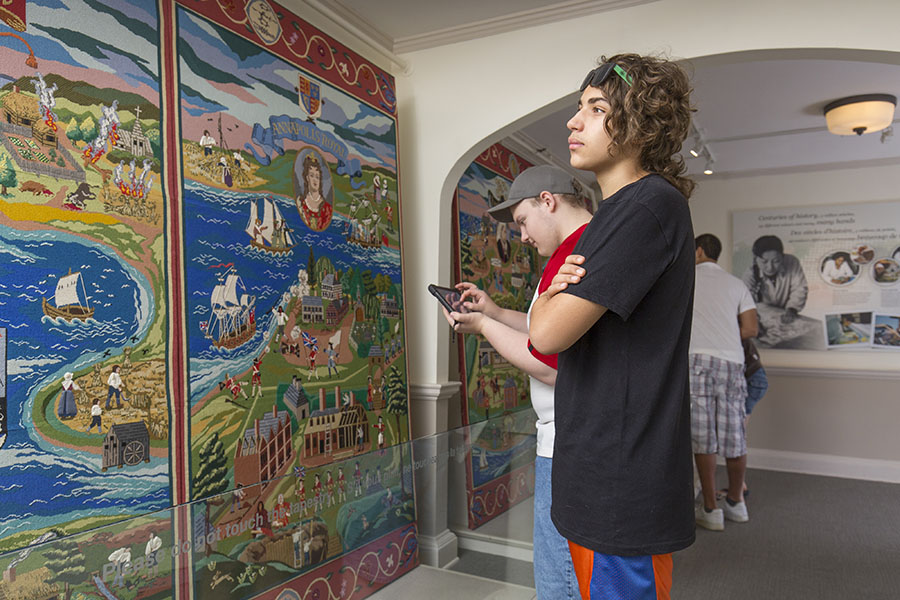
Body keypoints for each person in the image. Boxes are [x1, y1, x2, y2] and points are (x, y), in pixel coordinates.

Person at [528, 54, 696, 599]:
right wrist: (549, 304)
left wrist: (550, 297)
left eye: (596, 109)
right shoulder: (618, 213)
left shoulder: (646, 208)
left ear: (639, 123)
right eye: (579, 108)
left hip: (620, 482)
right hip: (603, 469)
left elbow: (547, 336)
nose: (574, 123)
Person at [444, 164, 592, 600]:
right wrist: (491, 311)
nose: (523, 237)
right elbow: (544, 329)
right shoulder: (578, 250)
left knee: (557, 575)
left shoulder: (572, 257)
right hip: (568, 434)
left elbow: (550, 365)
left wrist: (482, 329)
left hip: (565, 438)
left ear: (548, 201)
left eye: (524, 221)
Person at [688, 234, 758, 531]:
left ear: (699, 250)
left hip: (697, 362)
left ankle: (710, 508)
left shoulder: (686, 280)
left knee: (704, 437)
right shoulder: (737, 284)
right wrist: (725, 336)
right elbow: (751, 328)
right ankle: (736, 503)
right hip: (732, 362)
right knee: (734, 434)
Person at [742, 235, 808, 324]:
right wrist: (753, 320)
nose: (770, 267)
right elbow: (746, 301)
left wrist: (792, 309)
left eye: (776, 261)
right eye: (764, 262)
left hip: (786, 312)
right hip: (762, 317)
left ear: (782, 256)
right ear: (755, 259)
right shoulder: (751, 274)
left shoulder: (792, 262)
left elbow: (799, 289)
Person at [296, 153, 333, 231]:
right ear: (307, 178)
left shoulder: (327, 208)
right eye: (312, 176)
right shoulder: (300, 202)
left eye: (317, 177)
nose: (315, 180)